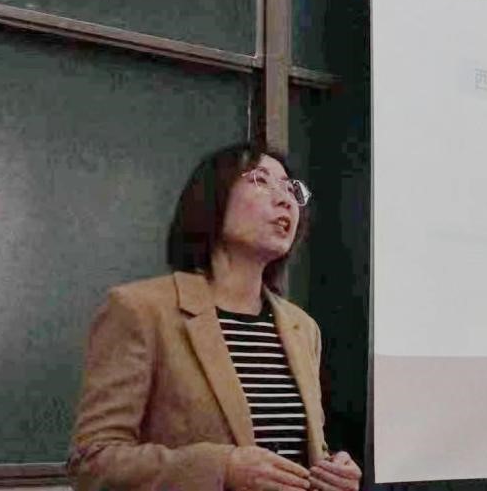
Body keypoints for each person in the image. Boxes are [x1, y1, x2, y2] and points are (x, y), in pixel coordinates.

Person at [68, 142, 361, 491]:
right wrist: (222, 468)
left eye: (290, 189)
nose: (285, 200)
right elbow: (93, 461)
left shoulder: (303, 328)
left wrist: (331, 471)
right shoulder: (140, 310)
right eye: (261, 180)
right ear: (212, 198)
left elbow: (296, 450)